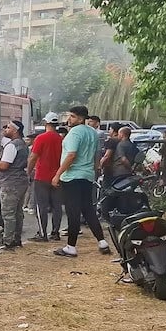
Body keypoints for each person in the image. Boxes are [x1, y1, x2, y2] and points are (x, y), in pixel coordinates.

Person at [52, 106, 112, 257]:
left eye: (72, 116)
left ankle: (71, 246)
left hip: (72, 176)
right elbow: (96, 155)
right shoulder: (92, 133)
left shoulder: (74, 133)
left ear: (80, 118)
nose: (69, 119)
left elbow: (71, 155)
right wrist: (95, 169)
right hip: (87, 175)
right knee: (88, 210)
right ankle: (102, 242)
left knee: (73, 211)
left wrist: (58, 174)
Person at [0, 121, 30, 251]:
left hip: (10, 183)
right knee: (18, 212)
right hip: (21, 182)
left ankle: (7, 241)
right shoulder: (23, 145)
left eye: (8, 128)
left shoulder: (11, 146)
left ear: (15, 130)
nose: (5, 130)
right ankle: (16, 239)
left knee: (8, 213)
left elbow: (4, 165)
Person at [27, 112, 63, 242]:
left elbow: (33, 157)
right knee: (56, 206)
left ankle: (43, 233)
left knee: (41, 206)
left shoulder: (41, 138)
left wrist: (28, 171)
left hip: (42, 176)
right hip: (57, 177)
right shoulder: (61, 139)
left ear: (45, 123)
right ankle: (55, 232)